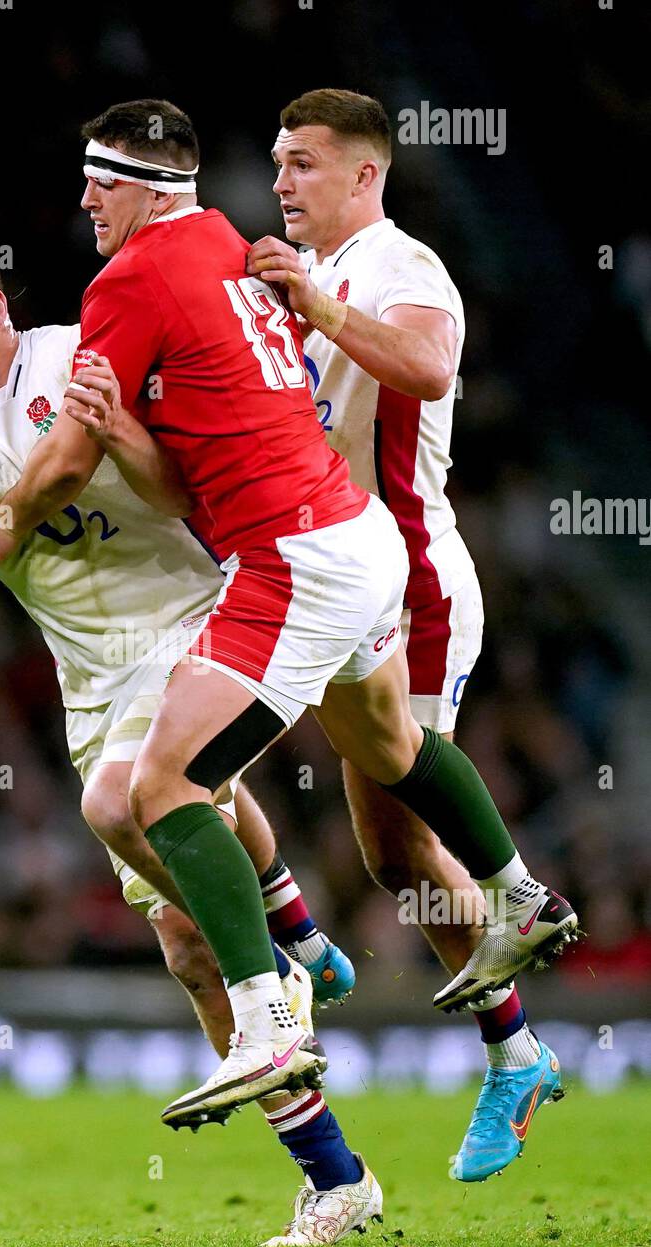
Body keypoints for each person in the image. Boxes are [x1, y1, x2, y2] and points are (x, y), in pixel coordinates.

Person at [0, 101, 580, 1144]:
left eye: (97, 182)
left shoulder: (363, 268)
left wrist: (10, 513)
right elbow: (183, 464)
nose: (82, 201)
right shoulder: (233, 251)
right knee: (390, 782)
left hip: (334, 556)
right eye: (278, 162)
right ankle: (512, 916)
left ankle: (268, 1012)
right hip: (353, 538)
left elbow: (425, 371)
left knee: (159, 786)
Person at [0, 224, 379, 1247]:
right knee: (184, 941)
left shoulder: (84, 353)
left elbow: (186, 493)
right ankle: (335, 1173)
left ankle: (291, 959)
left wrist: (121, 434)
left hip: (189, 623)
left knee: (122, 798)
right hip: (89, 678)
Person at [244, 87, 565, 1181]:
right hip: (342, 581)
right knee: (388, 852)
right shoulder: (306, 278)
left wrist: (314, 311)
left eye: (300, 163)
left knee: (399, 823)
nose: (280, 181)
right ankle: (514, 1047)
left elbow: (429, 371)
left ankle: (517, 936)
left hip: (414, 577)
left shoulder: (399, 267)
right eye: (277, 163)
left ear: (362, 174)